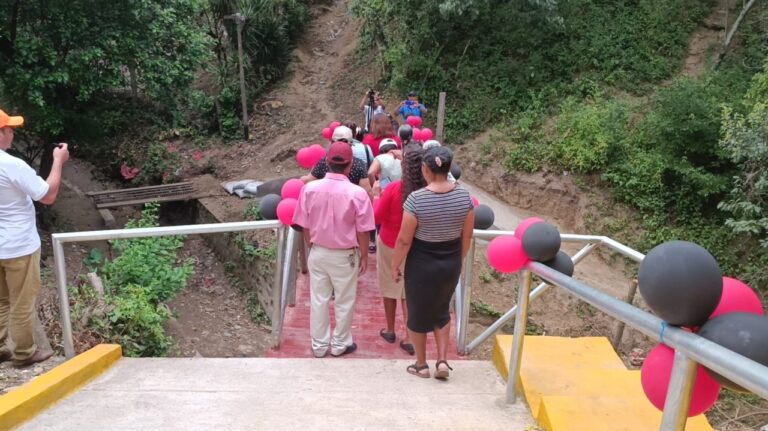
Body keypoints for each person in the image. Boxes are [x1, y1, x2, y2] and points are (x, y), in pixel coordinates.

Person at [391, 146, 475, 380]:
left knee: (417, 313)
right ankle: (442, 361)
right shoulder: (464, 196)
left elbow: (404, 239)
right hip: (450, 260)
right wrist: (459, 259)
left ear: (425, 169)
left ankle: (421, 364)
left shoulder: (416, 199)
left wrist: (395, 264)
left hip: (421, 263)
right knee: (442, 311)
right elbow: (466, 235)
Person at [292, 142, 375, 358]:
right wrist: (364, 255)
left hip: (318, 251)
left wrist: (312, 246)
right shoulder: (357, 193)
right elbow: (363, 231)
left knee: (318, 299)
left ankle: (319, 346)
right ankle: (339, 344)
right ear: (349, 167)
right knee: (344, 300)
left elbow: (304, 224)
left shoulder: (309, 189)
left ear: (327, 162)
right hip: (345, 254)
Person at [0, 109, 69, 367]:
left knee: (1, 300)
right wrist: (58, 160)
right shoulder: (11, 165)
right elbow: (47, 195)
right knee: (22, 301)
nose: (12, 133)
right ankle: (24, 353)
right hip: (19, 246)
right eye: (9, 129)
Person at [373, 143, 426, 355]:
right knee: (409, 291)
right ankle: (410, 337)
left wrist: (376, 195)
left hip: (390, 243)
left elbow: (377, 217)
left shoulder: (395, 189)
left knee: (389, 285)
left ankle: (390, 329)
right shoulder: (426, 192)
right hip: (417, 245)